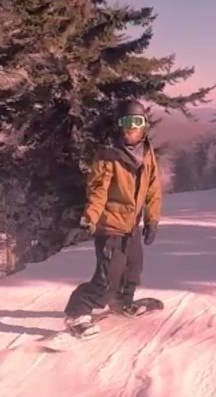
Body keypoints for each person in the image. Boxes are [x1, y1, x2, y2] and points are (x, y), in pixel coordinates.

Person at [63, 100, 162, 338]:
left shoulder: (146, 153)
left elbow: (153, 187)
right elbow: (98, 191)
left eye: (136, 122)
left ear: (144, 126)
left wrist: (152, 219)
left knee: (133, 268)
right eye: (126, 123)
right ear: (119, 126)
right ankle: (77, 311)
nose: (131, 128)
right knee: (108, 276)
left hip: (131, 226)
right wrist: (89, 218)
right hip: (110, 227)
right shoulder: (108, 156)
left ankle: (121, 302)